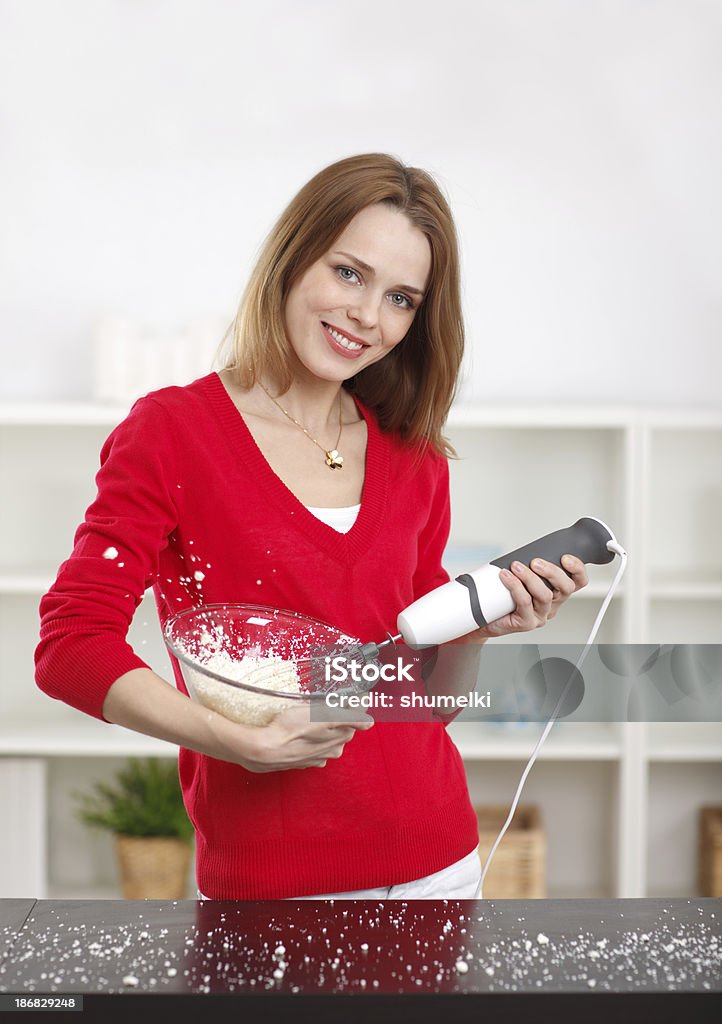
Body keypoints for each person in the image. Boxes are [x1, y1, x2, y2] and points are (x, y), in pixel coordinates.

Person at [35, 153, 588, 900]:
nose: (368, 315)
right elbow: (71, 644)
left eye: (401, 298)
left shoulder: (414, 457)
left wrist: (481, 627)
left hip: (440, 866)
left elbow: (423, 696)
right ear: (294, 258)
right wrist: (231, 740)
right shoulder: (173, 433)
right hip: (268, 883)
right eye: (350, 273)